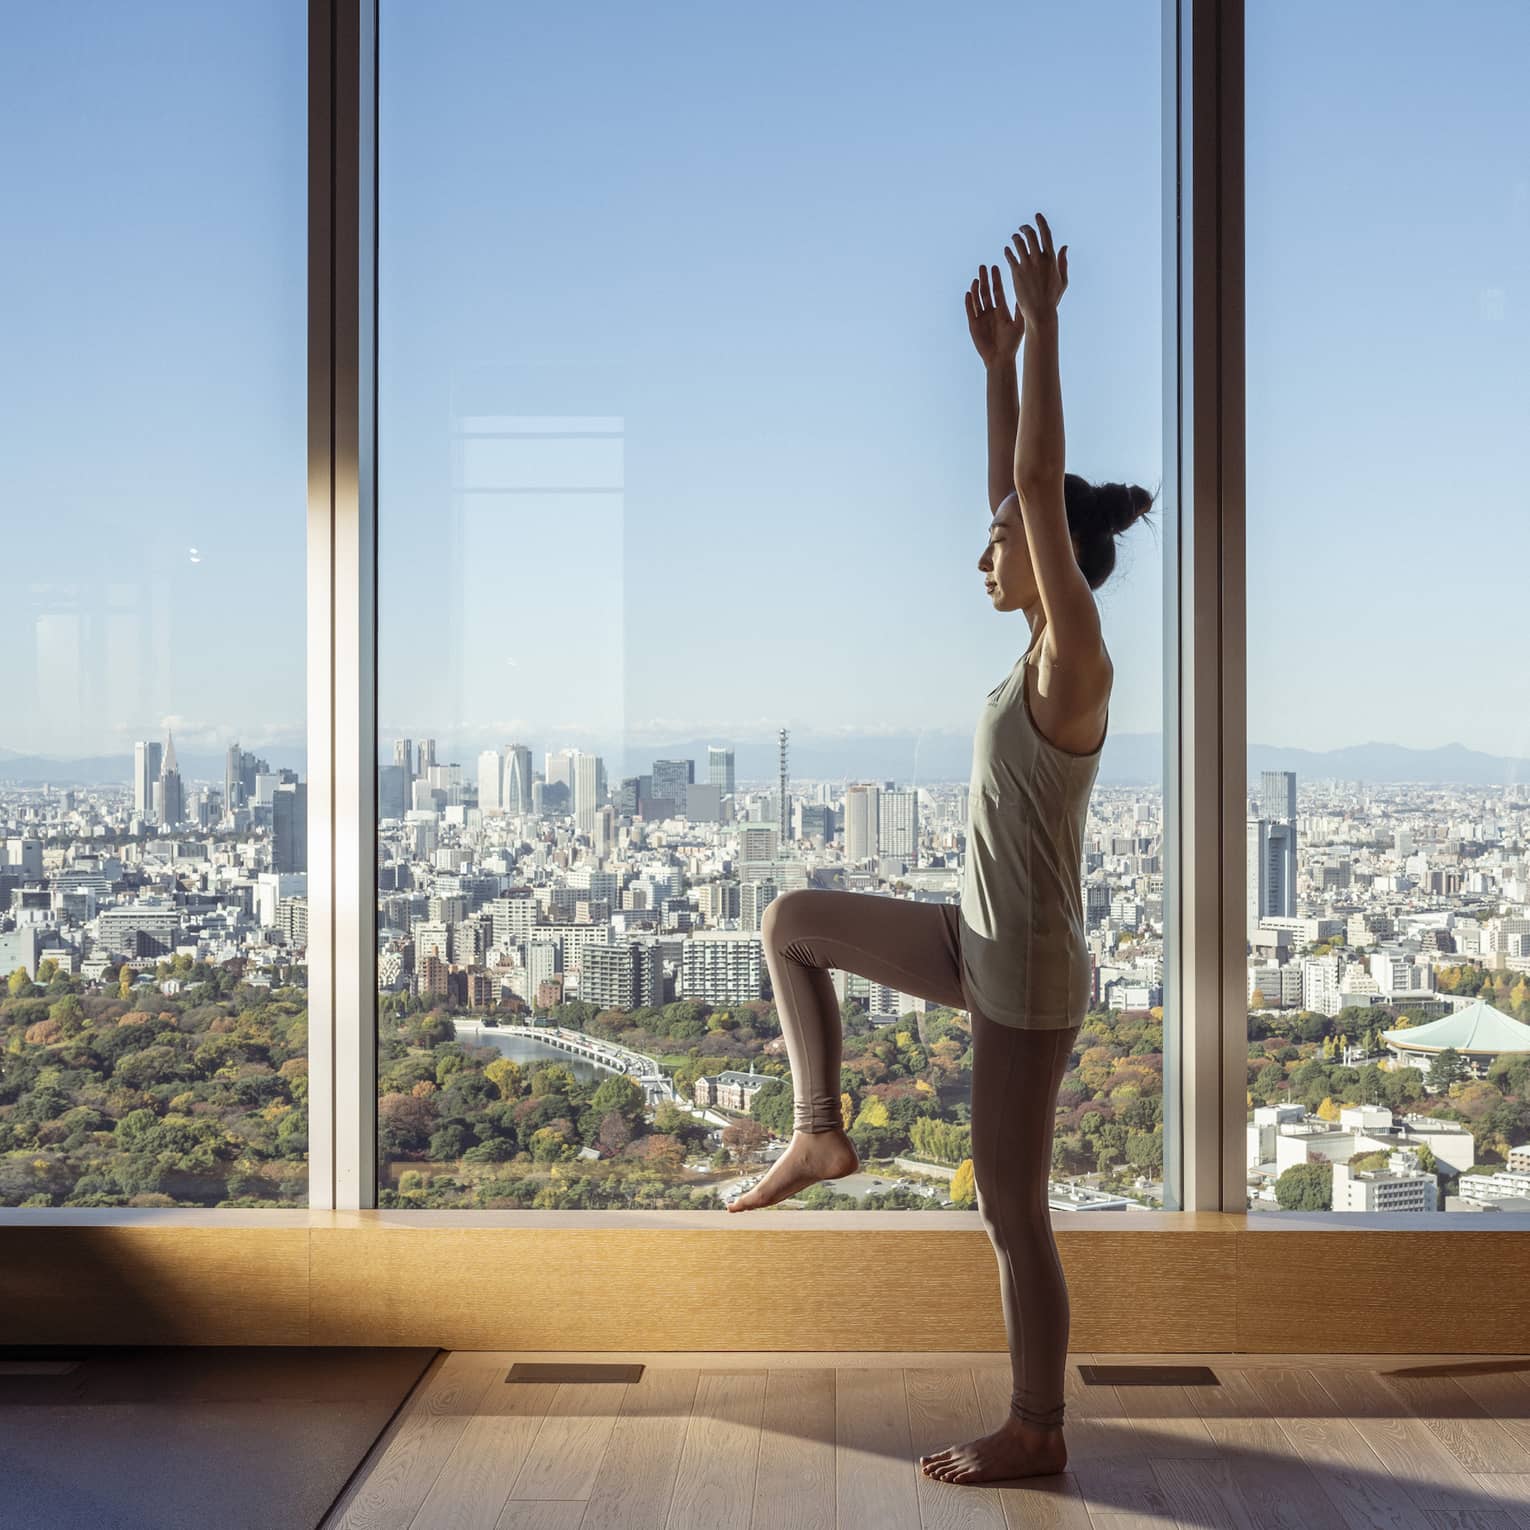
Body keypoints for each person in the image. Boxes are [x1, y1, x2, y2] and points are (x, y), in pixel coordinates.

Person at [727, 212, 1154, 1485]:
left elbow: (1031, 493)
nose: (982, 552)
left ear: (1052, 560)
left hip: (1022, 975)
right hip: (977, 944)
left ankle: (1039, 1428)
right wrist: (989, 373)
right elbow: (1012, 493)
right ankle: (820, 1131)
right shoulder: (1030, 644)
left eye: (1002, 545)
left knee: (1010, 1212)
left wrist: (1045, 332)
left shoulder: (1075, 659)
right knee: (791, 919)